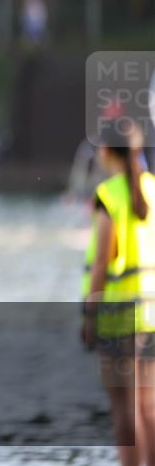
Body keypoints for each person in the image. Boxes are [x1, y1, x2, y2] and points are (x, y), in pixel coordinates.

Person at [81, 121, 155, 466]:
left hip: (119, 318)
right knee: (149, 406)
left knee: (125, 410)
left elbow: (100, 265)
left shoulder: (110, 196)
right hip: (153, 315)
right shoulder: (153, 189)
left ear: (107, 152)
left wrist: (89, 316)